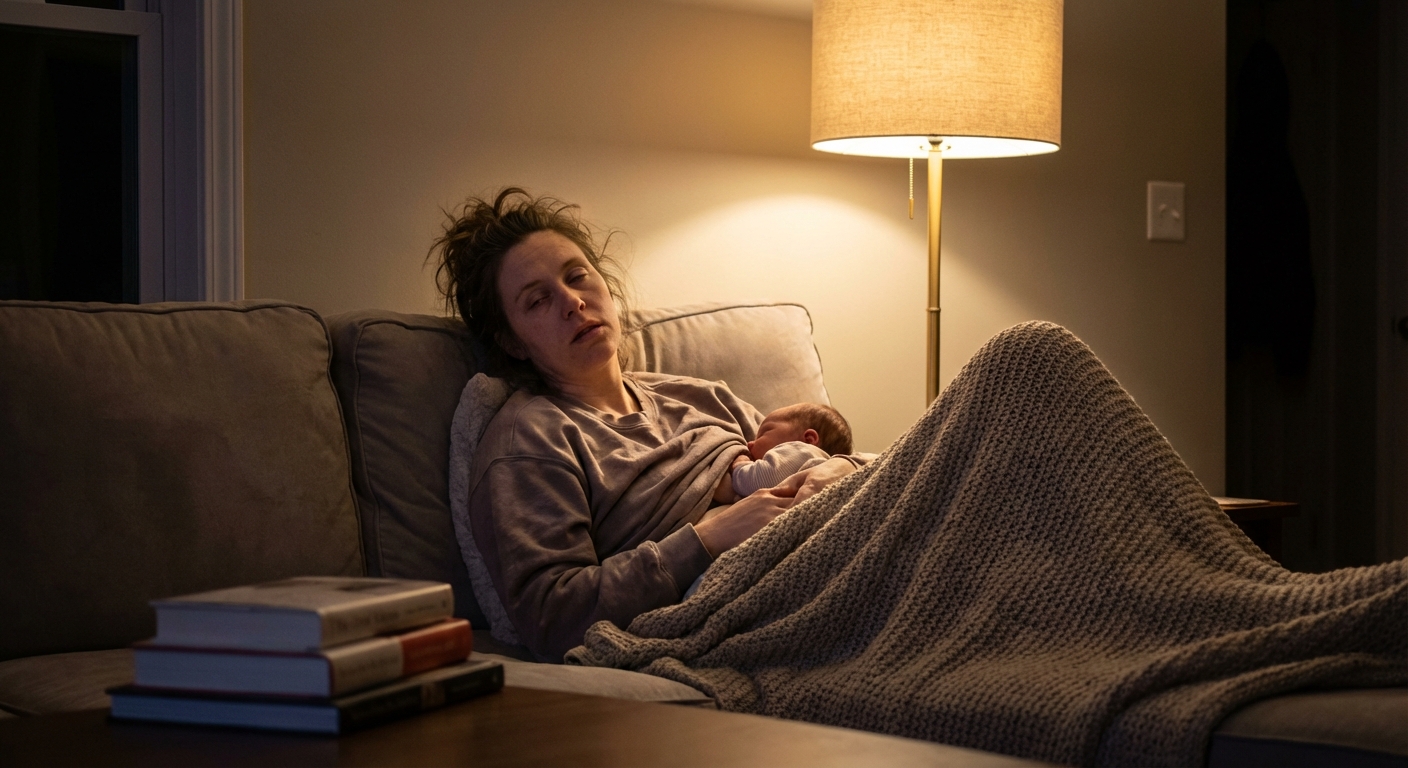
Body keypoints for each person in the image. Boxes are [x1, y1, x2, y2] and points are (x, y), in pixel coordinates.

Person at [433, 187, 864, 662]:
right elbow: (554, 617)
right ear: (512, 342)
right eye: (537, 301)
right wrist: (709, 539)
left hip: (834, 549)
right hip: (743, 612)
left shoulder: (704, 396)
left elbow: (802, 455)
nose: (573, 302)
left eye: (578, 276)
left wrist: (840, 468)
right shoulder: (531, 440)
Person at [712, 403, 854, 505]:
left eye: (765, 432)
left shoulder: (804, 452)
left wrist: (741, 463)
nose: (750, 443)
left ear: (809, 439)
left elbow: (755, 481)